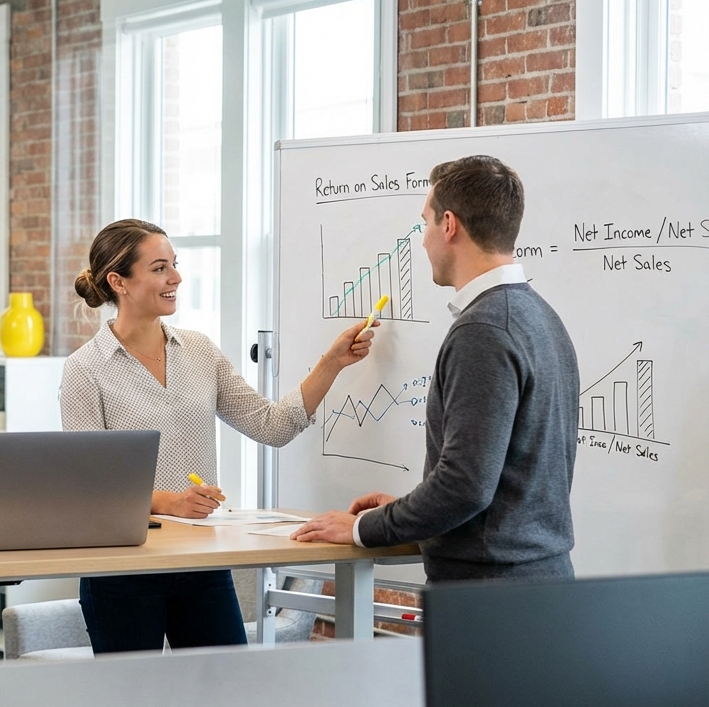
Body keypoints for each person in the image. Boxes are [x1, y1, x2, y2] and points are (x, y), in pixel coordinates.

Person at [60, 218, 375, 653]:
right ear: (119, 282)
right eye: (159, 268)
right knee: (135, 697)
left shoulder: (200, 351)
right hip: (123, 568)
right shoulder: (84, 369)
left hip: (201, 564)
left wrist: (332, 363)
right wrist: (169, 502)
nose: (176, 277)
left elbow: (271, 425)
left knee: (228, 689)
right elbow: (90, 488)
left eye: (174, 264)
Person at [292, 156, 579, 582]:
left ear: (449, 225)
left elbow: (465, 487)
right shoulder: (540, 316)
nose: (423, 240)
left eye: (424, 223)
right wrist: (402, 511)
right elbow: (497, 480)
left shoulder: (483, 330)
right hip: (531, 582)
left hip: (490, 593)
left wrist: (360, 529)